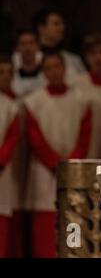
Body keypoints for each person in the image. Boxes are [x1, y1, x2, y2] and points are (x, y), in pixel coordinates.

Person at [23, 52, 91, 257]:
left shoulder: (81, 100)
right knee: (44, 230)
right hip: (44, 174)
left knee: (73, 225)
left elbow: (84, 135)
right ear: (44, 72)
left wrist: (70, 163)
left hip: (73, 171)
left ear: (64, 68)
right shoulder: (33, 102)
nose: (54, 72)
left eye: (57, 67)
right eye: (49, 68)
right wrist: (55, 163)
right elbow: (35, 138)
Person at [0, 56, 20, 258]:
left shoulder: (10, 106)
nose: (5, 77)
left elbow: (12, 137)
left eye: (9, 72)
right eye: (1, 72)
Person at [33, 8, 85, 83]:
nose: (62, 28)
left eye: (62, 24)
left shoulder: (74, 59)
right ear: (41, 28)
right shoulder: (30, 61)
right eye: (56, 24)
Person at [11, 30, 45, 97]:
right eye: (23, 44)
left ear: (38, 46)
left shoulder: (48, 69)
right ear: (17, 48)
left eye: (31, 43)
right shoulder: (9, 71)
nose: (27, 48)